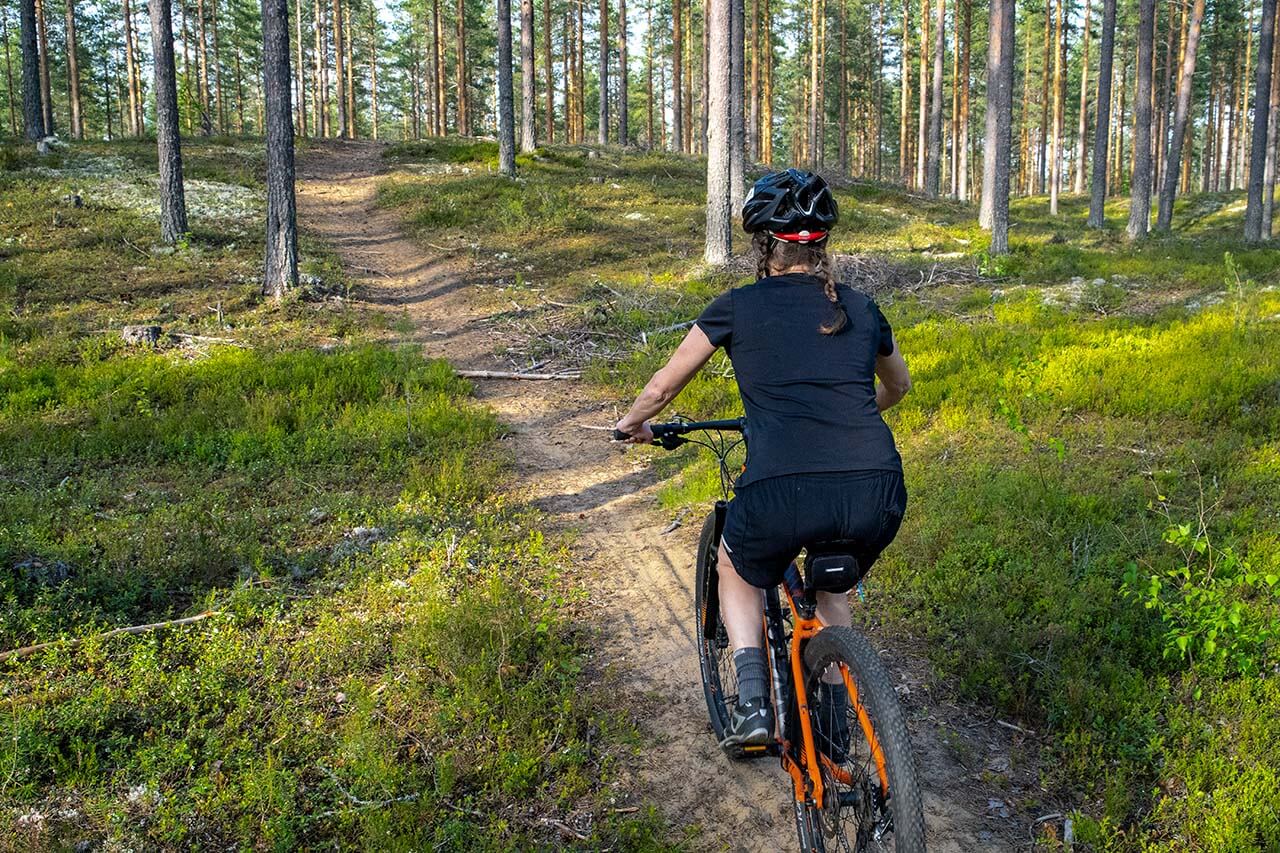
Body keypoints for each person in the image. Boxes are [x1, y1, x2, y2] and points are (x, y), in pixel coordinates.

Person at [613, 169, 912, 750]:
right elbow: (897, 387)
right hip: (876, 492)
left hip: (782, 490)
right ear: (822, 246)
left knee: (736, 566)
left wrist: (631, 424)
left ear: (763, 246)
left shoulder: (736, 307)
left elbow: (662, 389)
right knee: (832, 591)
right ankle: (833, 728)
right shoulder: (861, 306)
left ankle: (753, 708)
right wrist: (851, 410)